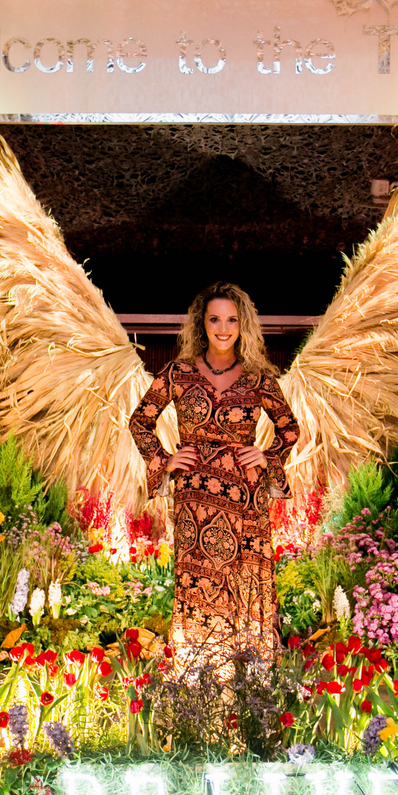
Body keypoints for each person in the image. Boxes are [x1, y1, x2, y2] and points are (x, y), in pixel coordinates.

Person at [128, 282, 300, 668]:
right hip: (195, 497)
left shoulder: (258, 377)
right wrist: (165, 459)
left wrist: (266, 456)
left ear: (243, 325)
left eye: (232, 320)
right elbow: (140, 421)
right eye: (215, 319)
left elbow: (289, 428)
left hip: (246, 497)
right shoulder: (178, 372)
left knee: (245, 579)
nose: (223, 328)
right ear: (201, 324)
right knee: (198, 580)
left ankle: (250, 672)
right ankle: (198, 671)